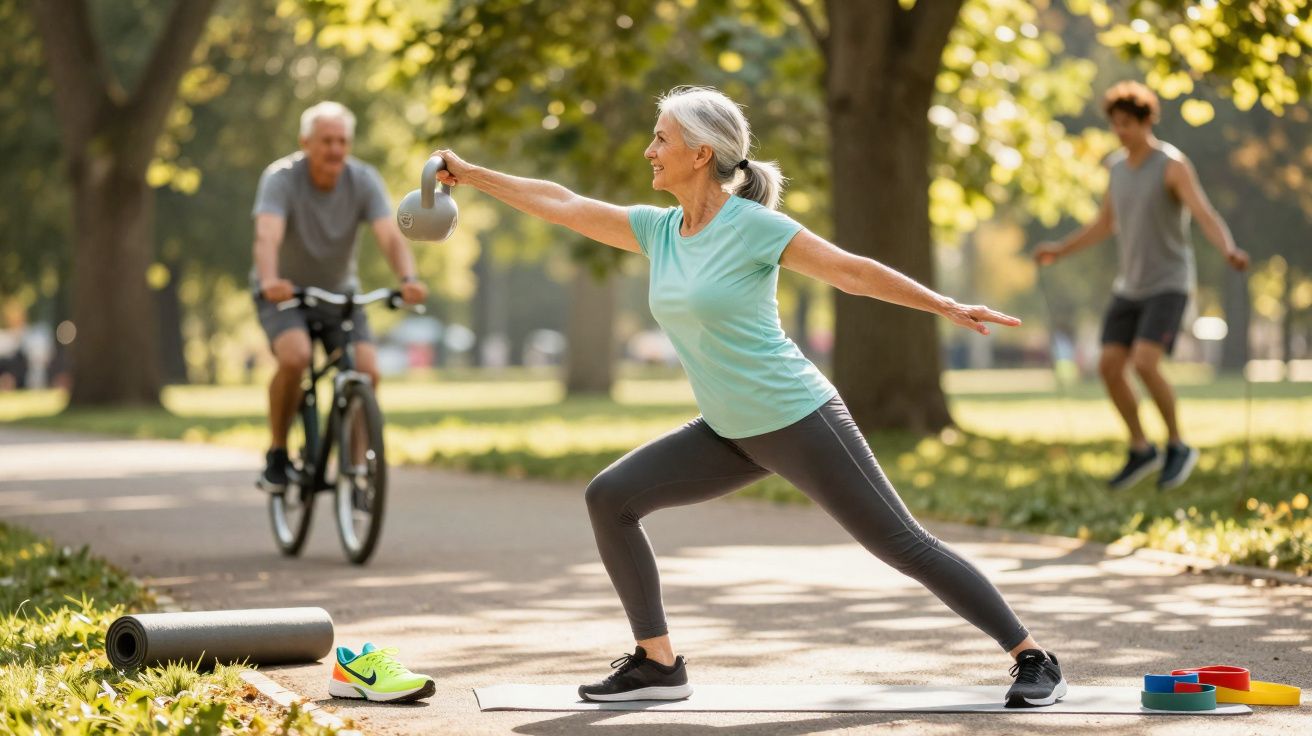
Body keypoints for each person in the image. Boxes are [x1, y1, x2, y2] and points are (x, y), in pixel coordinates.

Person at [432, 86, 1066, 708]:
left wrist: (944, 304)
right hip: (727, 430)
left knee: (900, 542)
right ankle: (658, 663)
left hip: (798, 417)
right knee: (611, 498)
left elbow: (850, 270)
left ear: (702, 153)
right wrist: (472, 176)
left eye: (662, 139)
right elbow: (563, 203)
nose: (650, 151)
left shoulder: (754, 228)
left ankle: (1033, 657)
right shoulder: (658, 231)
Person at [1035, 82, 1250, 491]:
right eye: (1115, 125)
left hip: (1169, 283)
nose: (1121, 132)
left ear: (1147, 121)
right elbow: (1104, 224)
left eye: (1128, 124)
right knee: (1108, 367)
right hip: (1129, 286)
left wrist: (1229, 249)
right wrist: (1059, 251)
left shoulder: (1171, 165)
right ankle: (1140, 449)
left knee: (1145, 363)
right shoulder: (1116, 168)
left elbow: (1204, 213)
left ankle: (1178, 444)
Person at [252, 101, 428, 490]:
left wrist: (408, 277)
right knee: (296, 357)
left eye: (342, 141)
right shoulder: (280, 178)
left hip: (339, 294)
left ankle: (356, 466)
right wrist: (269, 279)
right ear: (305, 142)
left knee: (368, 370)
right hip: (285, 293)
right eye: (326, 140)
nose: (335, 149)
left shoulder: (363, 180)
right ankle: (278, 452)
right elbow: (267, 234)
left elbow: (388, 234)